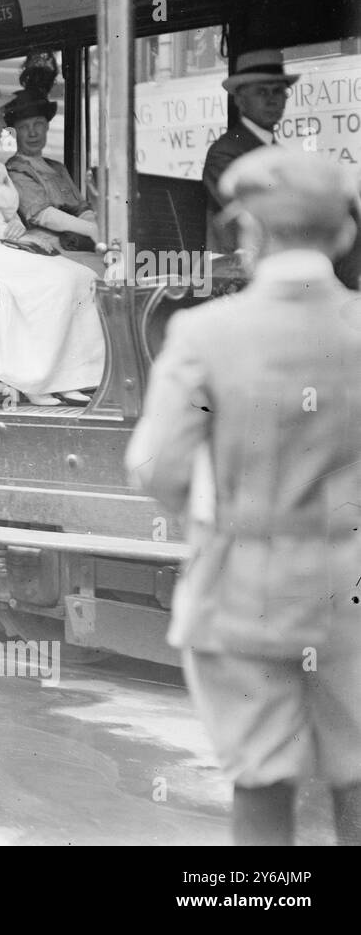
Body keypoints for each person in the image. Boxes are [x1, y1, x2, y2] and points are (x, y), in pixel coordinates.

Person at [126, 147, 361, 846]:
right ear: (344, 235)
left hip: (242, 593)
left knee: (261, 777)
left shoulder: (206, 334)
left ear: (248, 234)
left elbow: (157, 466)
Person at [0, 78, 105, 406]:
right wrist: (11, 233)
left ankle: (72, 377)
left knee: (83, 277)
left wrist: (21, 235)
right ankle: (35, 380)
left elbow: (11, 213)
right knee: (54, 283)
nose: (3, 124)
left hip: (4, 246)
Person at [202, 49, 298, 254]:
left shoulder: (281, 154)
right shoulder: (225, 152)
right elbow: (255, 214)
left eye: (278, 91)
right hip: (235, 271)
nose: (272, 100)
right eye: (262, 92)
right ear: (240, 100)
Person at [3, 54, 98, 250]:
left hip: (76, 245)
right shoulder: (15, 170)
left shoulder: (58, 168)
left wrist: (95, 225)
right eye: (23, 127)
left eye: (38, 124)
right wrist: (90, 229)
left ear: (47, 126)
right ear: (14, 133)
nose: (32, 132)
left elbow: (81, 208)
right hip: (45, 248)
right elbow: (42, 214)